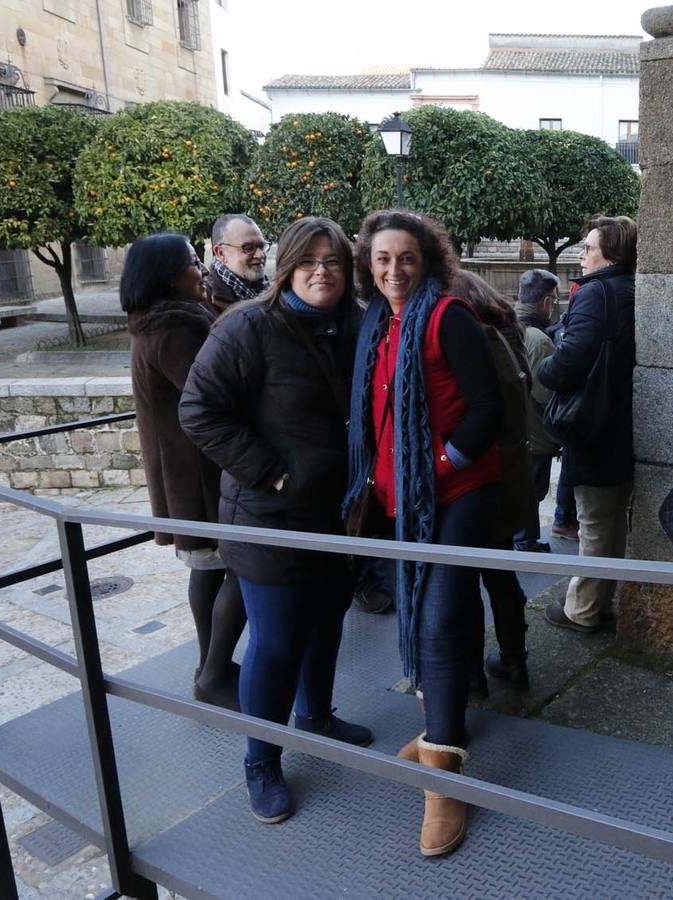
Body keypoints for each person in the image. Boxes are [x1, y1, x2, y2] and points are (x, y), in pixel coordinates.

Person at [179, 216, 373, 825]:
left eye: (334, 260)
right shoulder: (247, 326)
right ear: (286, 265)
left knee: (326, 623)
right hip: (269, 516)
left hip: (339, 515)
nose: (322, 271)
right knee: (276, 640)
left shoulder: (359, 326)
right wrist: (270, 472)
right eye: (309, 259)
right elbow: (199, 410)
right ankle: (261, 760)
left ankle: (316, 715)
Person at [343, 209, 503, 857]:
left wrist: (439, 463)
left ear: (427, 260)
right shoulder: (378, 325)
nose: (393, 270)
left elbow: (486, 410)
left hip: (457, 496)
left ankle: (442, 783)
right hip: (402, 501)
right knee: (436, 612)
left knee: (437, 618)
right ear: (368, 265)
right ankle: (444, 726)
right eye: (382, 260)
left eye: (405, 258)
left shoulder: (446, 318)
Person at [121, 232, 245, 712]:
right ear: (170, 275)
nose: (203, 270)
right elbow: (213, 392)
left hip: (187, 471)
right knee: (234, 566)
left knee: (213, 569)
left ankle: (210, 664)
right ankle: (213, 673)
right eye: (195, 262)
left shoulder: (159, 321)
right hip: (199, 474)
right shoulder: (174, 327)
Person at [538, 216, 637, 634]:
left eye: (589, 248)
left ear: (610, 253)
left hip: (593, 425)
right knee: (612, 519)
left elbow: (572, 357)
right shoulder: (630, 287)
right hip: (620, 422)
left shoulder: (595, 293)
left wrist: (544, 369)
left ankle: (581, 609)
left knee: (594, 521)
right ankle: (601, 600)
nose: (582, 254)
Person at [450, 270, 535, 691]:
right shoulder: (507, 337)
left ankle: (470, 673)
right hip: (508, 476)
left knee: (465, 582)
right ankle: (515, 661)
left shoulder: (476, 340)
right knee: (501, 577)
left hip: (480, 479)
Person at [513, 267, 561, 552]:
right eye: (553, 300)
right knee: (532, 490)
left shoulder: (503, 324)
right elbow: (545, 394)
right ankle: (525, 538)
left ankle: (523, 535)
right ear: (545, 301)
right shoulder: (539, 340)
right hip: (534, 433)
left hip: (513, 431)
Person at [205, 214, 269, 315]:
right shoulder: (201, 301)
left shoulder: (275, 294)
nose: (260, 254)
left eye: (262, 246)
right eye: (248, 248)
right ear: (220, 253)